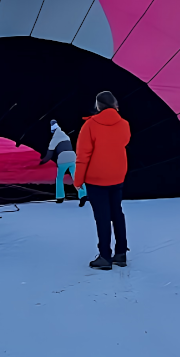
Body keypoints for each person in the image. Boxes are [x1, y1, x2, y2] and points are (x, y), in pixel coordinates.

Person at [74, 91, 130, 270]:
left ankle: (104, 256)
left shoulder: (90, 125)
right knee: (117, 214)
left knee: (102, 217)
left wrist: (78, 180)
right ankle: (120, 253)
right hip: (117, 176)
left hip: (96, 179)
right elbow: (124, 142)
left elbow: (83, 155)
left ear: (98, 106)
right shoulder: (124, 124)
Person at [41, 119, 87, 206]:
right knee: (76, 177)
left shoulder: (54, 139)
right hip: (73, 157)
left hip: (63, 158)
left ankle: (60, 197)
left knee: (59, 178)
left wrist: (41, 162)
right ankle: (83, 194)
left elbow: (49, 154)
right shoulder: (66, 136)